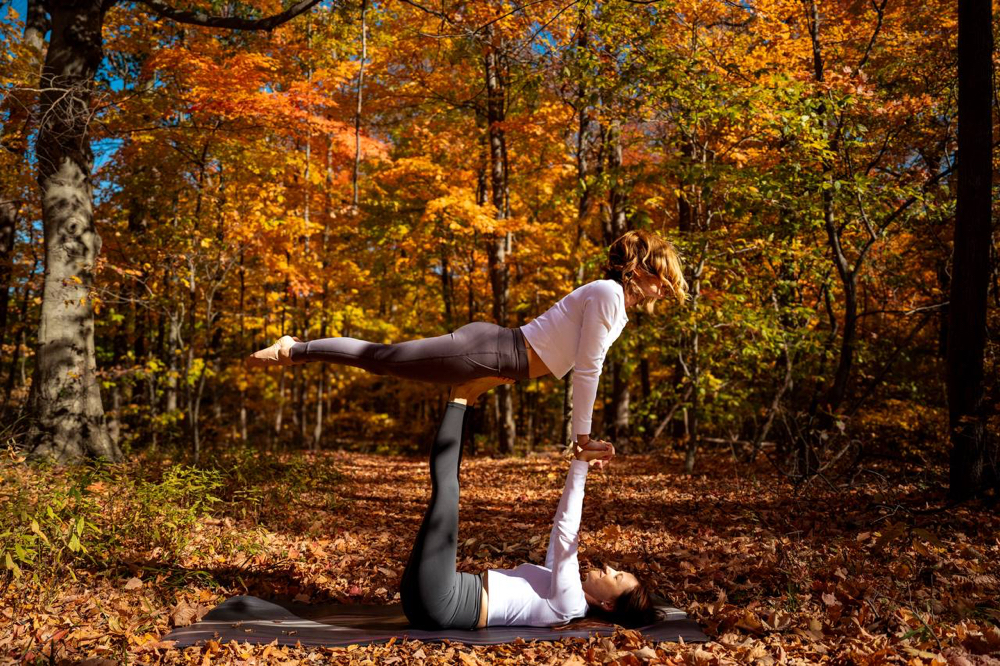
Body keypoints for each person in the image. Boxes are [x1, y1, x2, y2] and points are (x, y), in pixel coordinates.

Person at [247, 229, 687, 447]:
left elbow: (552, 355)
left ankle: (297, 349)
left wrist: (489, 383)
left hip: (496, 359)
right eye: (662, 278)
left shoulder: (616, 308)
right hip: (486, 350)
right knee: (382, 357)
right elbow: (587, 367)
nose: (665, 288)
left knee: (384, 359)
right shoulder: (609, 294)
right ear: (640, 268)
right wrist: (583, 434)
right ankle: (294, 348)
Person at [399, 376, 657, 630]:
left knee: (448, 491)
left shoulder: (570, 603)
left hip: (442, 601)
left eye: (617, 577)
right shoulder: (564, 590)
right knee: (448, 488)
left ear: (608, 605)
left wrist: (580, 464)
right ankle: (467, 398)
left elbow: (568, 535)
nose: (610, 568)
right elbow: (559, 529)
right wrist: (580, 463)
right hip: (432, 598)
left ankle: (461, 396)